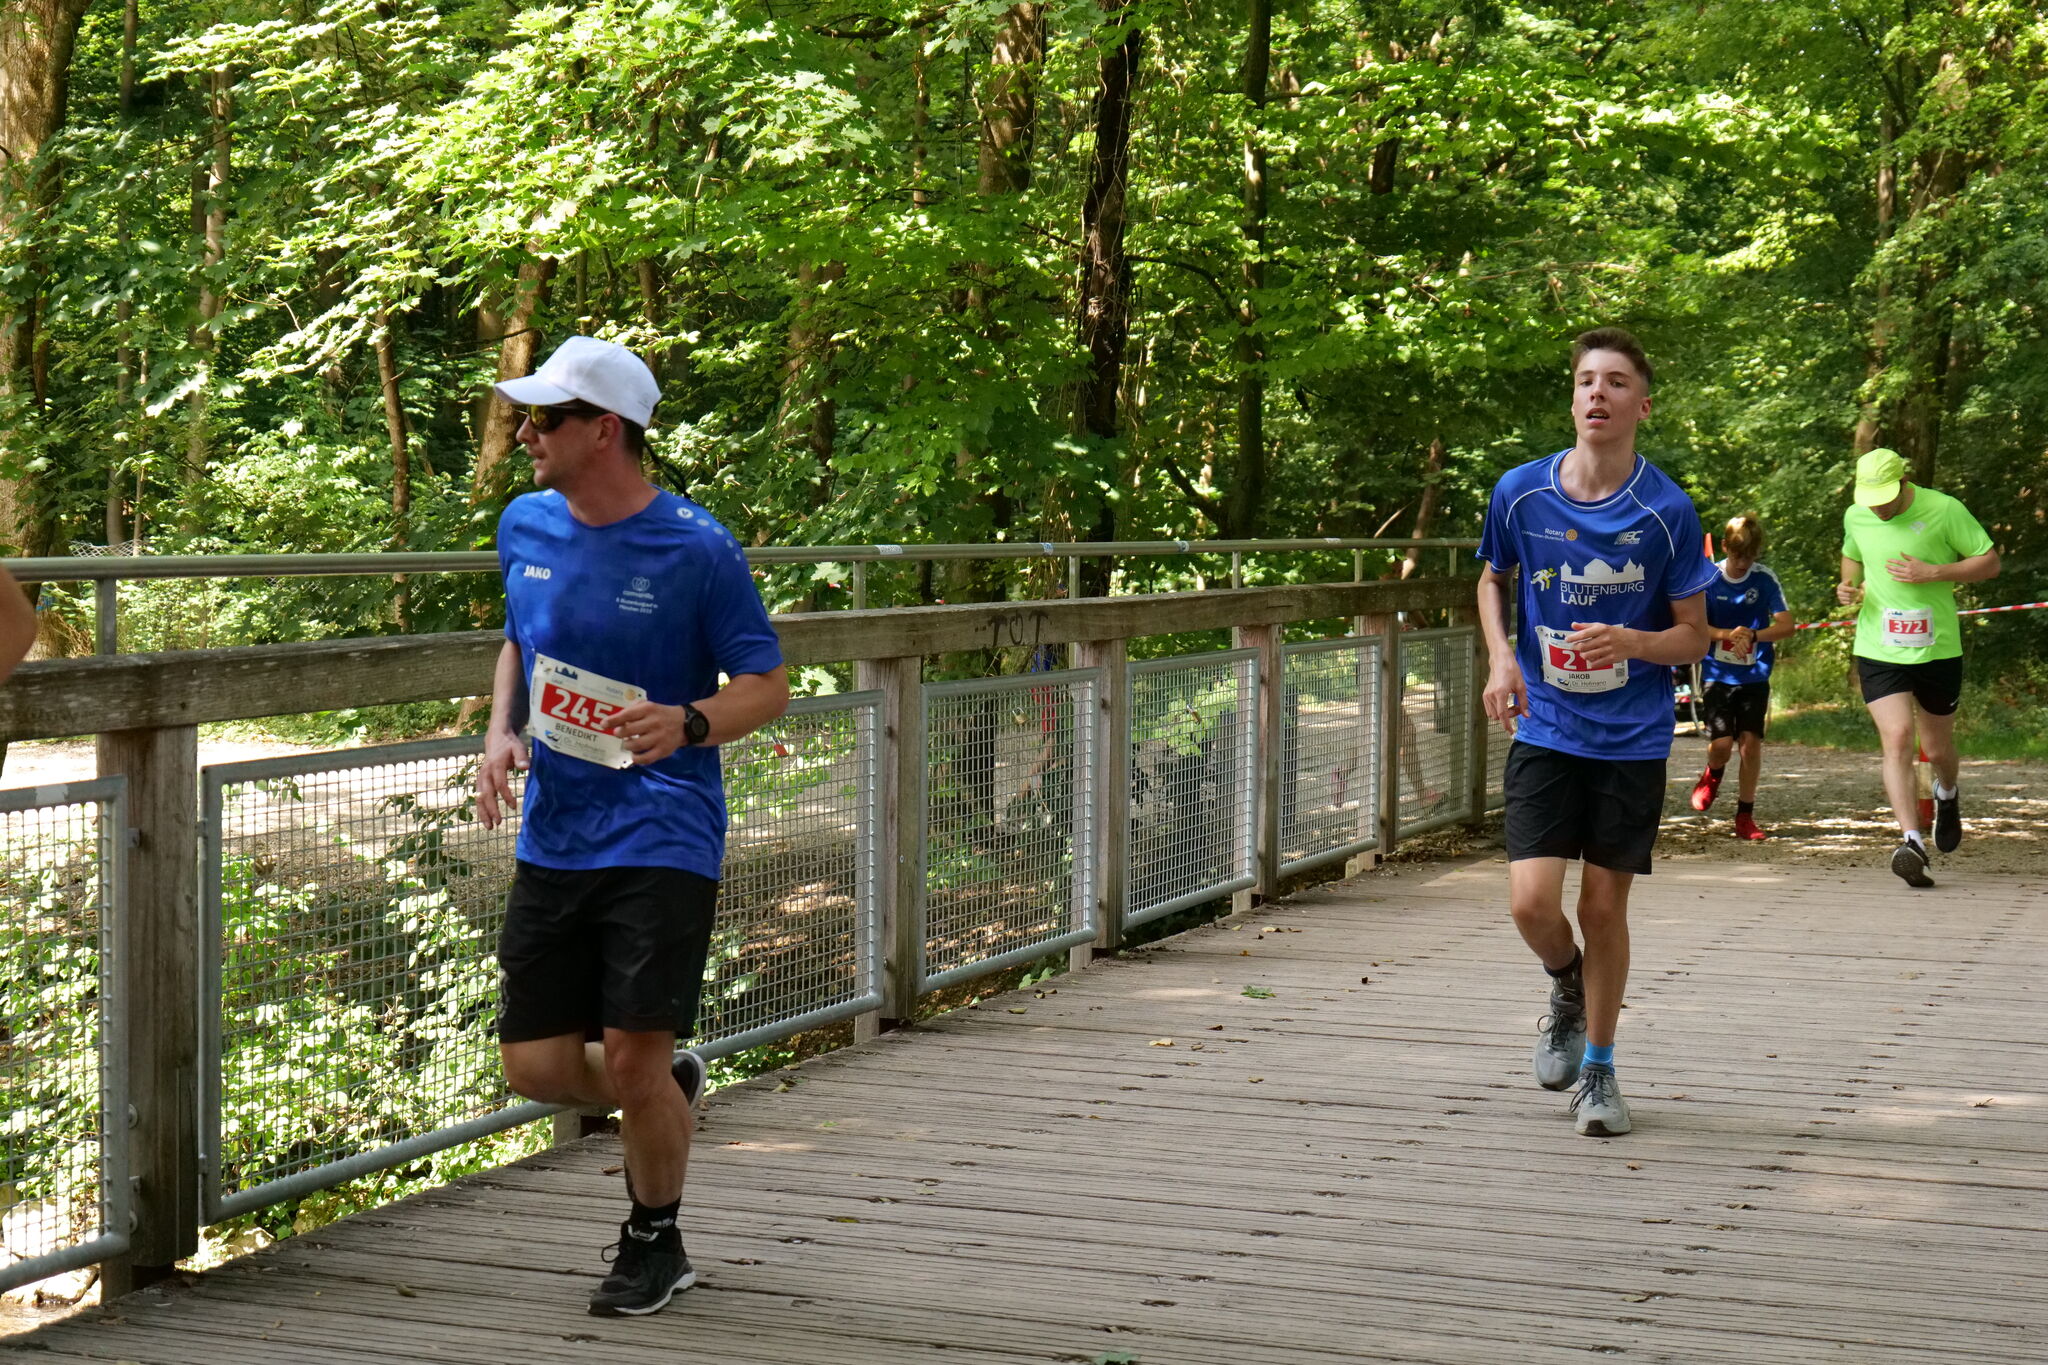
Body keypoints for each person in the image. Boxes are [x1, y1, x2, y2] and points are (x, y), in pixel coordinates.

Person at [474, 335, 790, 1316]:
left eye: (544, 417)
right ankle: (662, 1086)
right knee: (532, 1066)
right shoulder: (523, 523)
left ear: (603, 430)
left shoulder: (697, 547)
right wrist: (499, 730)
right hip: (555, 832)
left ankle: (654, 1240)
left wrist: (688, 721)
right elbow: (519, 642)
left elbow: (766, 685)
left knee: (632, 1055)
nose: (526, 432)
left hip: (663, 828)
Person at [1476, 327, 1715, 1138]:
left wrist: (1633, 643)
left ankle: (1602, 1070)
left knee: (1604, 906)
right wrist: (1501, 658)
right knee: (1531, 903)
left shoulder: (1666, 510)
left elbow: (1694, 636)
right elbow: (1492, 578)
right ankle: (1566, 982)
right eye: (1586, 380)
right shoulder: (1521, 492)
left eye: (1615, 382)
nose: (1597, 393)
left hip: (1631, 737)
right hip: (1546, 722)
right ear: (1573, 398)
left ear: (1641, 405)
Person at [1836, 448, 1999, 889]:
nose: (1878, 509)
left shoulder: (1944, 509)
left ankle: (1947, 791)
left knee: (1937, 748)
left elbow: (1989, 562)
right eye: (1871, 501)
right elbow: (1852, 555)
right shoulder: (1857, 514)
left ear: (1904, 483)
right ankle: (1912, 842)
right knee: (1897, 738)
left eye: (1885, 500)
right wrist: (1848, 586)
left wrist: (1935, 572)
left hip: (1936, 649)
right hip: (1878, 647)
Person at [1688, 515, 1793, 839]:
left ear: (1757, 552)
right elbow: (1693, 625)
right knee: (1721, 745)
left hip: (1754, 675)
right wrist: (1725, 635)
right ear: (1724, 547)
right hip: (1717, 674)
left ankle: (1745, 815)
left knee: (1750, 745)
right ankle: (1713, 772)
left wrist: (1754, 636)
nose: (1742, 563)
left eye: (1749, 556)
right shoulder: (1708, 578)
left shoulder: (1765, 579)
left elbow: (1786, 625)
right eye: (1737, 556)